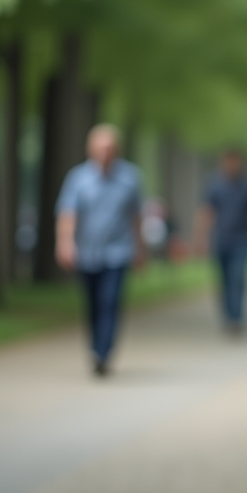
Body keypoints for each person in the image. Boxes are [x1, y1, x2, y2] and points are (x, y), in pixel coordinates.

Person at [55, 124, 145, 378]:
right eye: (100, 147)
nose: (105, 152)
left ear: (116, 150)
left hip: (118, 252)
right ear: (91, 150)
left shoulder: (130, 178)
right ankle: (95, 347)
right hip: (87, 253)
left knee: (111, 301)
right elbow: (67, 214)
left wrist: (140, 248)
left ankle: (103, 353)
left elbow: (136, 217)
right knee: (93, 304)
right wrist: (64, 243)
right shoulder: (78, 178)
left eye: (109, 147)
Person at [193, 148, 247, 335]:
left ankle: (237, 318)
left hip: (242, 241)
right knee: (224, 281)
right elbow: (206, 213)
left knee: (238, 278)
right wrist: (200, 239)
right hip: (221, 240)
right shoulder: (215, 185)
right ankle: (228, 316)